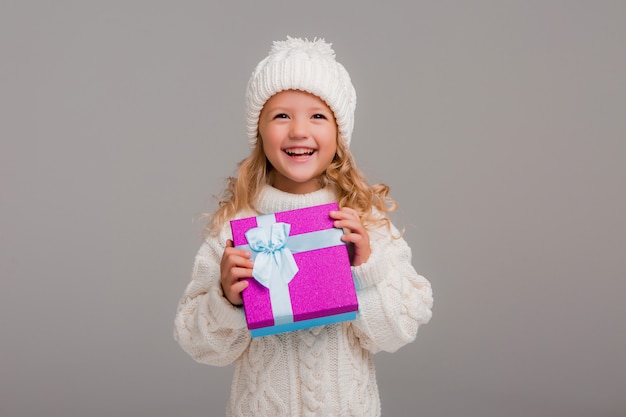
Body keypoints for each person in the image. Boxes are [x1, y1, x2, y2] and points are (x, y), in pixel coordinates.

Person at [174, 36, 433, 417]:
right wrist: (226, 299)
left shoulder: (363, 224)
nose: (298, 130)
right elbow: (199, 346)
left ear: (338, 133)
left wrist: (366, 270)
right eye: (281, 115)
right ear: (259, 130)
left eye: (317, 115)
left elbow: (398, 331)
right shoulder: (236, 231)